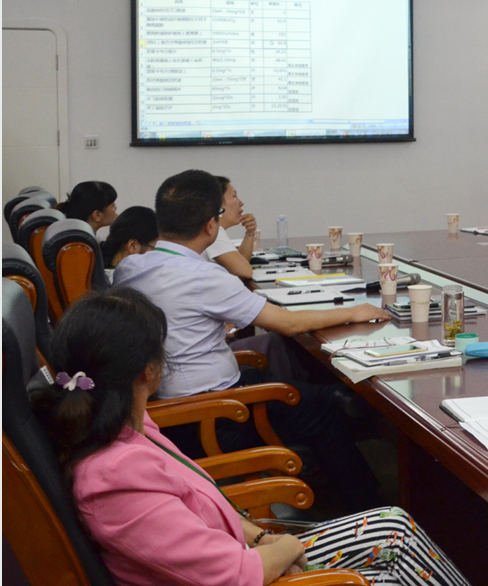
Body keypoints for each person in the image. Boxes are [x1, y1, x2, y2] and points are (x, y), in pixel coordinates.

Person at [30, 288, 471, 586]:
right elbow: (234, 576)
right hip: (241, 573)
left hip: (240, 551)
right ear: (149, 370)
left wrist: (260, 538)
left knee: (393, 526)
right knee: (394, 552)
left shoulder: (124, 428)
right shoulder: (114, 477)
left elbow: (200, 506)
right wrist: (286, 546)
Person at [115, 169, 390, 512]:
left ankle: (328, 473)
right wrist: (353, 312)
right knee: (325, 409)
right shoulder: (203, 276)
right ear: (211, 226)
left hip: (169, 409)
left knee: (301, 387)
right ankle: (368, 510)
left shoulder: (131, 267)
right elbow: (287, 323)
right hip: (211, 416)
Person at [202, 176, 259, 280]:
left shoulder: (211, 228)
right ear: (217, 204)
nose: (241, 203)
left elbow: (241, 261)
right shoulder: (212, 232)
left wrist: (250, 233)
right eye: (234, 196)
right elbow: (244, 271)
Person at [100, 206, 158, 282]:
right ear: (132, 245)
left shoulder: (97, 275)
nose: (157, 256)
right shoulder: (125, 284)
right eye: (154, 249)